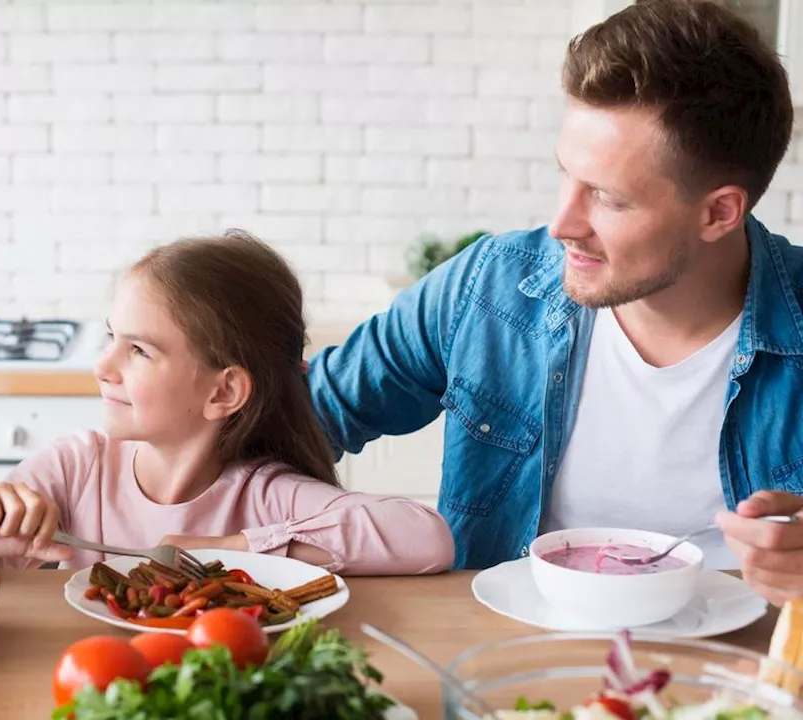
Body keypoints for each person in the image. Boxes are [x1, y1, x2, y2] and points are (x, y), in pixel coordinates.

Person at [307, 0, 803, 603]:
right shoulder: (489, 288)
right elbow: (307, 414)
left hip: (742, 679)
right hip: (507, 660)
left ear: (719, 211)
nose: (563, 223)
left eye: (608, 198)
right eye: (565, 174)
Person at [0, 231, 455, 576]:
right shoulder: (75, 469)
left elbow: (427, 539)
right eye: (111, 338)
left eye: (139, 350)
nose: (103, 366)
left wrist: (231, 547)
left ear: (223, 392)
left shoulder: (263, 496)